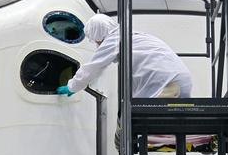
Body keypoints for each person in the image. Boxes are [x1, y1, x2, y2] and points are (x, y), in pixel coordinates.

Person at [56, 14, 193, 101]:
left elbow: (93, 67)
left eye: (96, 40)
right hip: (179, 81)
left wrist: (72, 86)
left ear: (98, 34)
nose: (97, 44)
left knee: (135, 125)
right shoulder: (130, 36)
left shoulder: (114, 39)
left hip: (167, 83)